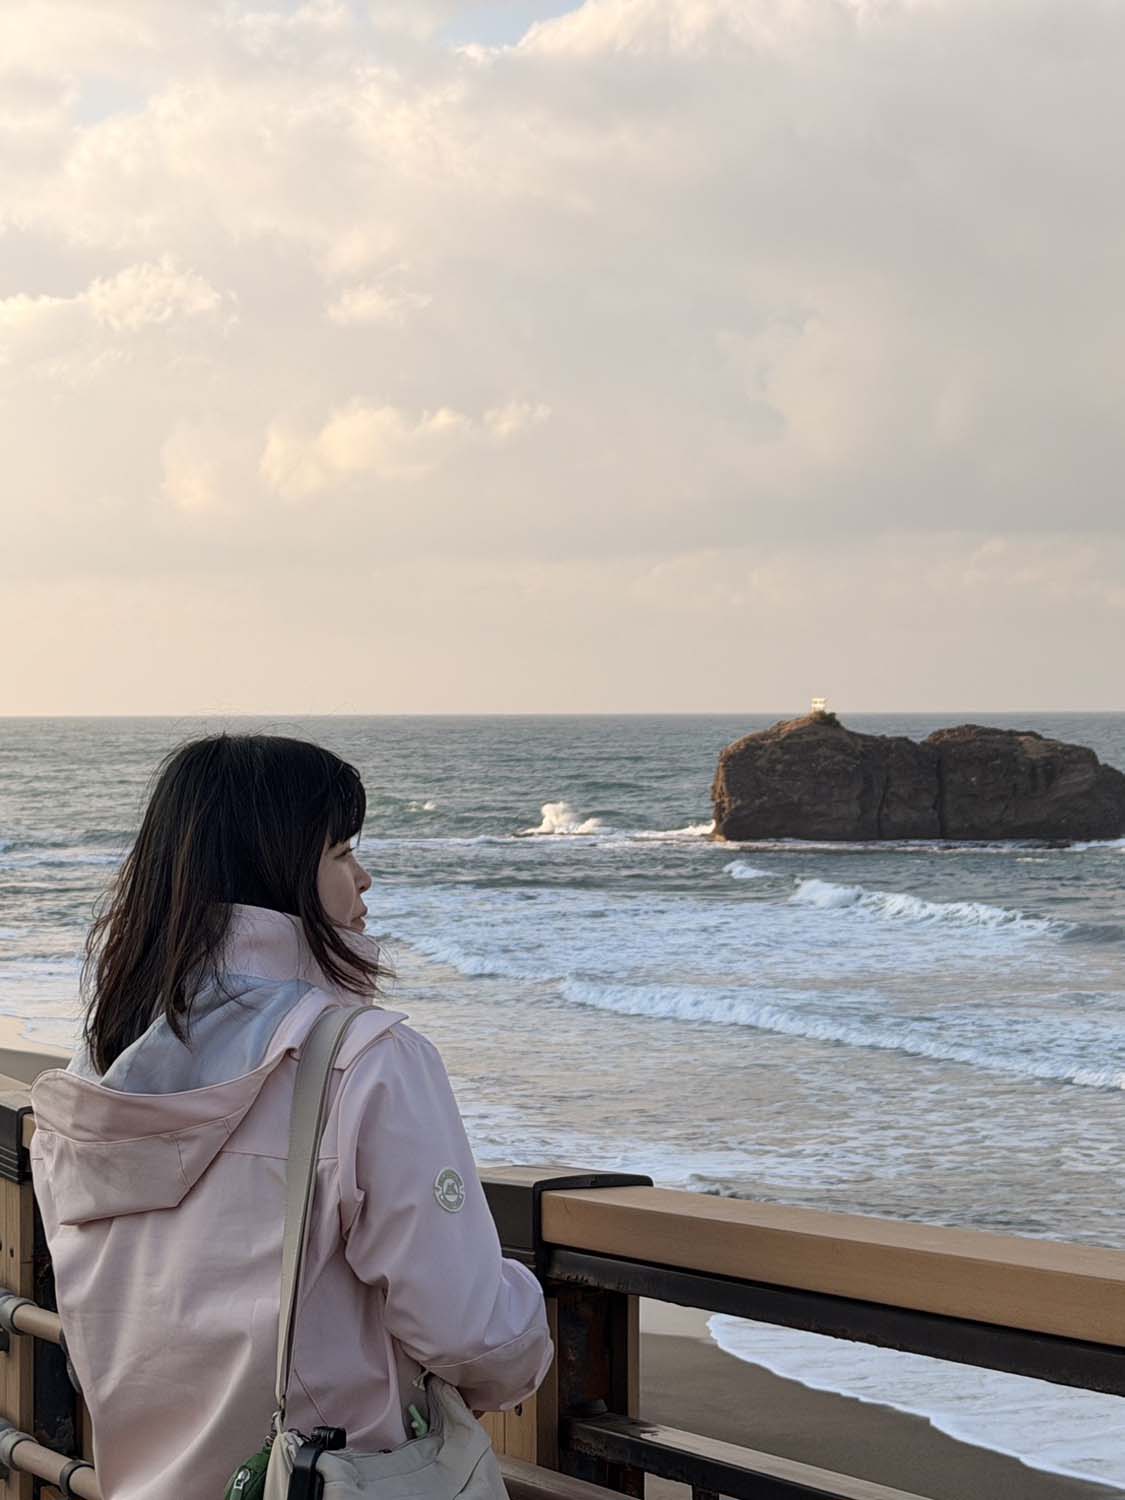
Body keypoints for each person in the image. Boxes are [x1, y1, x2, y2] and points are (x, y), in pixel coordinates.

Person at [30, 734, 552, 1500]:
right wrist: (526, 1336)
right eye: (341, 853)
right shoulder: (363, 1061)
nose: (363, 877)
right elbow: (470, 1328)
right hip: (329, 1477)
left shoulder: (98, 1070)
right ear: (278, 868)